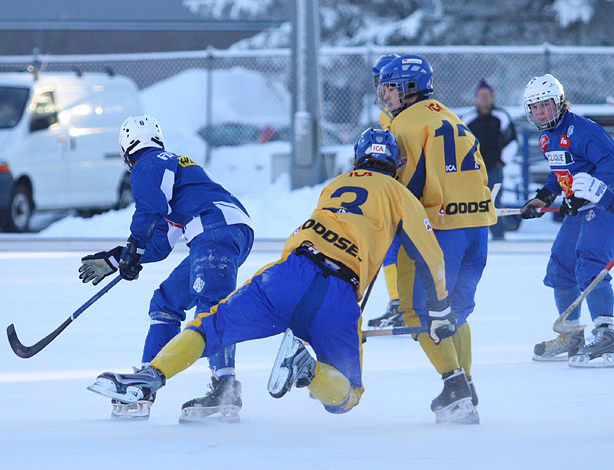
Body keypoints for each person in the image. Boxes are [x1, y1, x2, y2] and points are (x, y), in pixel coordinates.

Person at [87, 128, 462, 421]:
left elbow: (302, 236)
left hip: (291, 270)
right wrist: (440, 306)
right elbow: (430, 255)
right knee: (347, 396)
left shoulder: (334, 186)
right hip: (340, 290)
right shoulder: (400, 194)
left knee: (210, 325)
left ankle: (151, 376)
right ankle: (309, 371)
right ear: (395, 164)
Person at [78, 115, 254, 420]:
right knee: (167, 300)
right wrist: (116, 259)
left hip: (213, 230)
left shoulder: (148, 163)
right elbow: (159, 243)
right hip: (221, 231)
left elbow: (149, 210)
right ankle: (145, 382)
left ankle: (225, 389)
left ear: (126, 151)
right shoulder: (173, 173)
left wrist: (133, 247)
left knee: (211, 305)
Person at [376, 55, 497, 423]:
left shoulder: (406, 126)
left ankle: (455, 385)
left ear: (410, 89)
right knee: (455, 313)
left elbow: (406, 189)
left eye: (392, 88)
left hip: (441, 233)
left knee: (418, 311)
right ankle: (467, 386)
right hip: (478, 230)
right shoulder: (452, 116)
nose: (386, 96)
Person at [520, 74, 614, 366]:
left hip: (603, 202)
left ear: (559, 103)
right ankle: (573, 334)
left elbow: (611, 162)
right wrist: (544, 197)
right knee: (561, 264)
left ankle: (607, 332)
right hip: (579, 205)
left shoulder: (583, 130)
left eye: (545, 105)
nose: (540, 112)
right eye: (534, 108)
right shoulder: (547, 138)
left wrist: (588, 193)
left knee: (589, 260)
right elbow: (559, 172)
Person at [367, 53, 406, 330]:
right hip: (398, 186)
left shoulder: (409, 113)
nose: (382, 89)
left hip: (414, 189)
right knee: (389, 246)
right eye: (380, 83)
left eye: (388, 84)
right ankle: (399, 302)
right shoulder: (386, 114)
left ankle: (410, 304)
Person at [461, 79, 519, 240]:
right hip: (472, 171)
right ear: (476, 97)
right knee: (470, 204)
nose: (484, 98)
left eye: (487, 95)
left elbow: (512, 142)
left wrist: (502, 162)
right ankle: (471, 239)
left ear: (493, 96)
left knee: (494, 203)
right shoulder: (467, 119)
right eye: (481, 95)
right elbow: (459, 144)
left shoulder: (502, 116)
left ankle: (498, 236)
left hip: (494, 168)